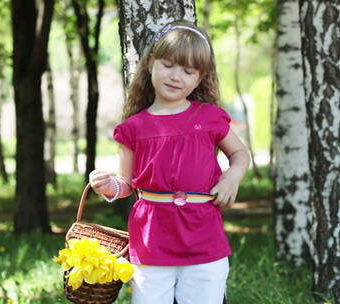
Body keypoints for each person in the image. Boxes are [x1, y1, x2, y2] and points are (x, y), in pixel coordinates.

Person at [89, 20, 251, 304]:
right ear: (151, 63)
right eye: (168, 65)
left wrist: (231, 178)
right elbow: (125, 183)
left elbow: (240, 154)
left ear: (199, 79)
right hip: (152, 238)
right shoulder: (134, 127)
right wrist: (107, 185)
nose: (176, 76)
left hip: (203, 234)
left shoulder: (209, 117)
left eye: (188, 71)